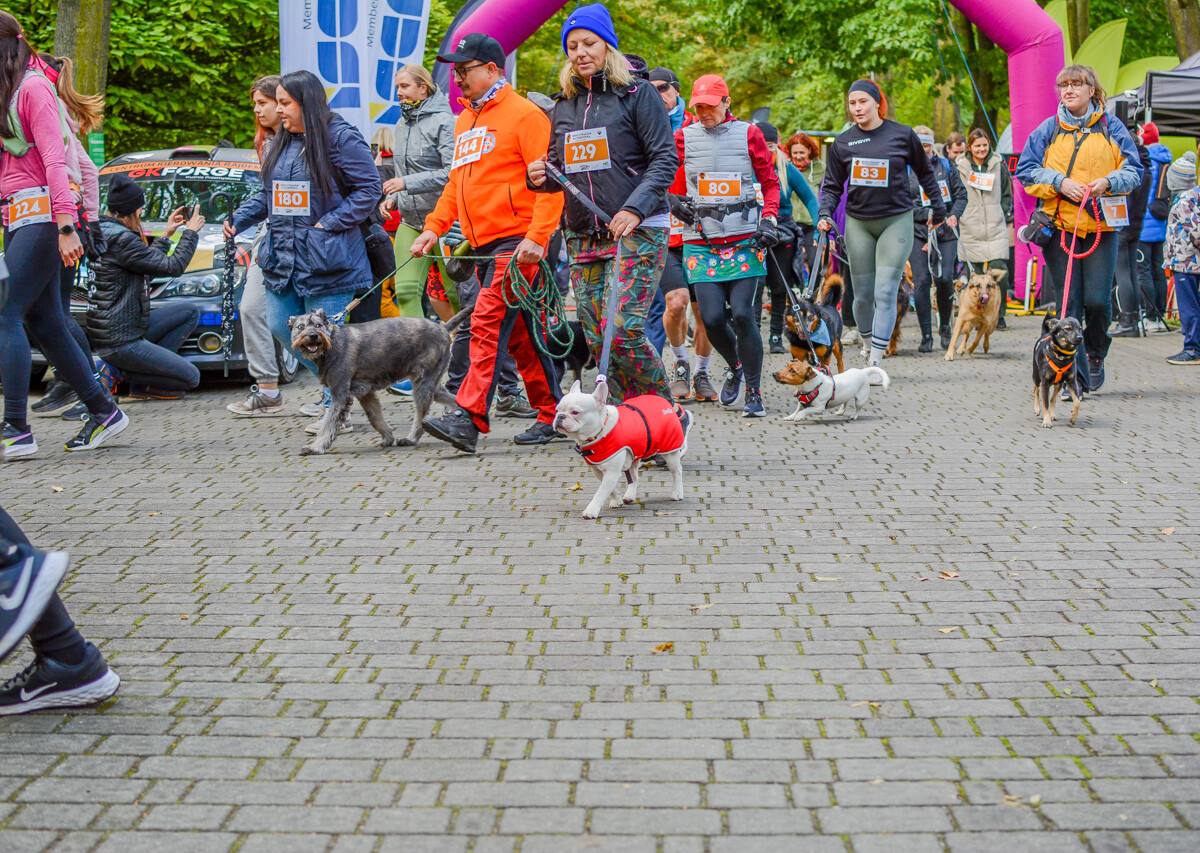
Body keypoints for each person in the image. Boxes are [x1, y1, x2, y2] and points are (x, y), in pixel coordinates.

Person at [528, 4, 686, 427]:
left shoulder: (637, 94)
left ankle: (669, 416)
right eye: (573, 46)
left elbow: (664, 159)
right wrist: (539, 176)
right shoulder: (564, 105)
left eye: (589, 43)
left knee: (626, 330)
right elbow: (562, 176)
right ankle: (630, 421)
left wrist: (635, 208)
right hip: (583, 233)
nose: (580, 52)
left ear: (608, 46)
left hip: (637, 227)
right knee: (599, 338)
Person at [411, 34, 566, 453]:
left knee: (486, 322)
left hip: (518, 242)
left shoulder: (527, 116)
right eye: (456, 70)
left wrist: (537, 237)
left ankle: (468, 417)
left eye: (465, 69)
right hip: (481, 243)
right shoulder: (464, 120)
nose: (457, 77)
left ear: (493, 70)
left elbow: (551, 184)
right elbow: (455, 184)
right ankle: (553, 413)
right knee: (517, 334)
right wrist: (434, 226)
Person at [0, 13, 130, 458]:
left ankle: (16, 427)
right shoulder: (13, 91)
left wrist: (70, 225)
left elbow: (59, 164)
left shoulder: (33, 88)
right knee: (47, 320)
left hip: (43, 216)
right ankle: (103, 410)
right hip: (24, 217)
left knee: (7, 314)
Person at [226, 70, 382, 436]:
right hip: (283, 256)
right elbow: (269, 195)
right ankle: (345, 386)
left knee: (330, 338)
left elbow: (368, 188)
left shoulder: (340, 138)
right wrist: (239, 218)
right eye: (277, 103)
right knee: (282, 325)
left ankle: (336, 409)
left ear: (306, 103)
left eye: (285, 103)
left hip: (330, 258)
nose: (279, 111)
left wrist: (328, 224)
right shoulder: (282, 142)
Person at [1015, 64, 1142, 393]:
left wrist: (1108, 182)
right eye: (1063, 86)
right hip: (1060, 228)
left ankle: (1096, 351)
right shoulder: (1047, 130)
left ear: (1092, 90)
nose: (1068, 90)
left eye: (1076, 84)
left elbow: (1135, 171)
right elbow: (1026, 171)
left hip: (1101, 227)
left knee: (1098, 301)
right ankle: (1077, 378)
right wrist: (1060, 182)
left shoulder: (1112, 127)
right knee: (1069, 302)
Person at [672, 74, 781, 417]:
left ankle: (753, 389)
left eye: (710, 105)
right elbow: (659, 173)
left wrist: (770, 219)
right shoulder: (683, 137)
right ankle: (735, 365)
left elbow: (770, 182)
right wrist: (670, 200)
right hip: (701, 241)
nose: (704, 112)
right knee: (714, 317)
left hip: (745, 238)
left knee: (745, 314)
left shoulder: (750, 133)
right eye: (698, 106)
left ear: (726, 102)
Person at [819, 79, 945, 369]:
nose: (857, 108)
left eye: (863, 101)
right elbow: (832, 186)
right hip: (859, 224)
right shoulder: (843, 142)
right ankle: (867, 343)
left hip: (896, 222)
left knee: (885, 291)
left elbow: (926, 174)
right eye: (852, 103)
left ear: (877, 102)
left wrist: (938, 209)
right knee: (862, 296)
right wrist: (825, 213)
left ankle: (875, 361)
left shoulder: (902, 135)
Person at [28, 52, 103, 418]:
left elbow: (79, 170)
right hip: (63, 220)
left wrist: (82, 220)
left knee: (53, 313)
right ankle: (76, 382)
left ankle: (87, 385)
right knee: (51, 312)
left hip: (58, 222)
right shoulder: (53, 105)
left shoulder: (43, 104)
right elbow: (87, 170)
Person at [84, 175, 204, 397]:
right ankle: (116, 372)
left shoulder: (103, 231)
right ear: (129, 210)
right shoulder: (122, 239)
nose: (141, 214)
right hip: (122, 339)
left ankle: (142, 385)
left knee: (188, 312)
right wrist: (191, 233)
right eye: (139, 209)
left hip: (121, 328)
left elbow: (145, 264)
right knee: (191, 377)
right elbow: (173, 266)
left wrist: (167, 235)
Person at [649, 66, 716, 402]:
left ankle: (702, 372)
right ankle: (679, 365)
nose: (657, 95)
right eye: (650, 89)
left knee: (705, 309)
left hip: (701, 229)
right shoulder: (643, 125)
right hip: (664, 227)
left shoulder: (697, 124)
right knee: (675, 304)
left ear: (676, 91)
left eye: (662, 88)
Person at [227, 75, 288, 417]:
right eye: (255, 104)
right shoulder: (264, 141)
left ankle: (335, 391)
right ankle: (267, 390)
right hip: (270, 235)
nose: (257, 109)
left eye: (262, 103)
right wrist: (239, 220)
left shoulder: (309, 140)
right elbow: (269, 196)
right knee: (251, 308)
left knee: (291, 318)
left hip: (306, 238)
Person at [381, 64, 454, 319]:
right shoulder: (401, 123)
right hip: (411, 221)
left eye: (404, 86)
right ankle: (418, 354)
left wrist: (406, 183)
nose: (399, 93)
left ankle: (464, 352)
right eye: (397, 87)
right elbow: (402, 173)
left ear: (423, 88)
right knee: (406, 291)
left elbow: (451, 172)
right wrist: (392, 198)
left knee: (454, 293)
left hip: (445, 223)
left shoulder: (446, 121)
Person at [758, 121, 818, 354]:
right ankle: (751, 334)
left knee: (779, 286)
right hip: (752, 232)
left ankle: (775, 336)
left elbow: (811, 199)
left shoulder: (786, 168)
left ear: (778, 145)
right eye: (760, 145)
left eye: (770, 146)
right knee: (755, 286)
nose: (765, 151)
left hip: (782, 231)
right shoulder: (745, 164)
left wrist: (820, 222)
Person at [907, 125, 966, 353]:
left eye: (927, 145)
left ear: (933, 145)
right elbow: (903, 204)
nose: (924, 149)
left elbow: (961, 196)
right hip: (918, 231)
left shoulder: (946, 166)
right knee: (921, 280)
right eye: (919, 145)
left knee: (944, 278)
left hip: (945, 232)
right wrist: (928, 215)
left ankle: (944, 326)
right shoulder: (905, 170)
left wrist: (953, 215)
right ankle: (925, 335)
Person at [956, 128, 1013, 338]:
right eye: (977, 145)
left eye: (984, 145)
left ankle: (999, 314)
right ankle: (976, 314)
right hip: (970, 226)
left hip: (995, 225)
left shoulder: (998, 165)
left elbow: (1007, 192)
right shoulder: (960, 167)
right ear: (970, 147)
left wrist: (1003, 210)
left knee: (1000, 272)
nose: (981, 149)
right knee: (976, 277)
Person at [1110, 128, 1154, 338]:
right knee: (1132, 274)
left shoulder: (1131, 169)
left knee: (1124, 274)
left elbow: (1123, 200)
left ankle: (1127, 320)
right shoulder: (1146, 167)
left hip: (1123, 226)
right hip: (1136, 225)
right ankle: (1133, 318)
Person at [1137, 122, 1175, 332]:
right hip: (1160, 224)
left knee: (1143, 272)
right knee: (1158, 271)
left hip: (1144, 224)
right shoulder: (1166, 160)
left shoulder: (1145, 160)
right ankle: (1160, 315)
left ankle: (1150, 317)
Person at [1164, 153, 1200, 365]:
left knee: (1189, 308)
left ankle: (1192, 348)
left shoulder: (1184, 201)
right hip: (1189, 262)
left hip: (1186, 263)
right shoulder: (1191, 197)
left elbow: (1196, 232)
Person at [783, 131, 824, 275]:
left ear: (810, 151)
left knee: (815, 262)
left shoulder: (820, 169)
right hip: (791, 223)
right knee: (789, 264)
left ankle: (813, 294)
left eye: (802, 152)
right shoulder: (785, 169)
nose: (798, 156)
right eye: (795, 153)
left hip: (811, 224)